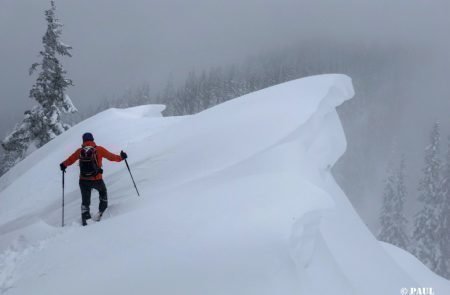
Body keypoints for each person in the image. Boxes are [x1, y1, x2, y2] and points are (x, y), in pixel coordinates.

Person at [60, 132, 127, 225]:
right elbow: (111, 157)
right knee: (103, 192)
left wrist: (63, 165)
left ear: (83, 140)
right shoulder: (99, 149)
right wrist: (121, 157)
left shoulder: (80, 151)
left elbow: (70, 160)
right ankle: (102, 212)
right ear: (93, 140)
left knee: (85, 201)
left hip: (83, 180)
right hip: (97, 179)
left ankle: (85, 219)